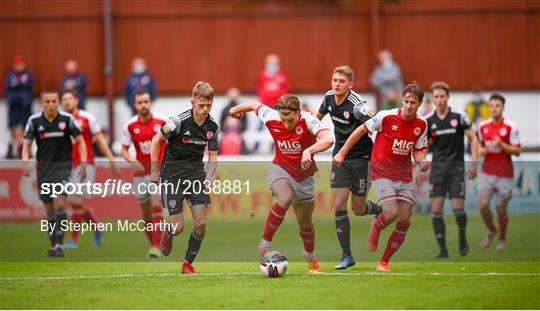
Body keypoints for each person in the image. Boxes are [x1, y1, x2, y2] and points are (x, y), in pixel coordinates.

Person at [230, 94, 334, 273]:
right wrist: (234, 110)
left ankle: (310, 256)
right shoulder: (271, 117)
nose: (286, 124)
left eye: (290, 120)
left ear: (299, 113)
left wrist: (309, 151)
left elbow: (328, 139)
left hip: (305, 177)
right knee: (285, 198)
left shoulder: (308, 120)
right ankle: (265, 244)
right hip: (280, 168)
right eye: (283, 119)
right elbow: (255, 105)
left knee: (306, 223)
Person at [333, 82, 429, 272]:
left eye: (413, 102)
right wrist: (342, 152)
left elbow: (418, 151)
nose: (409, 105)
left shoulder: (422, 124)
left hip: (404, 174)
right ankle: (377, 225)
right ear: (403, 100)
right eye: (406, 101)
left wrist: (422, 161)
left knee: (404, 220)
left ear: (419, 104)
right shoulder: (386, 117)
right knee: (391, 213)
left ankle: (383, 262)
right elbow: (360, 131)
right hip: (382, 170)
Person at [316, 65, 381, 270]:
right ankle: (346, 255)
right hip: (340, 159)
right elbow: (315, 120)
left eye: (341, 81)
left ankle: (377, 210)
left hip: (362, 159)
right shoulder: (328, 99)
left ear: (350, 84)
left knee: (358, 208)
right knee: (339, 203)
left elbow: (376, 122)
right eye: (334, 80)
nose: (336, 84)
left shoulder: (357, 105)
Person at [151, 81, 220, 274]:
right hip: (172, 175)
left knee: (201, 222)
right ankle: (169, 232)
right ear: (192, 102)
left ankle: (187, 263)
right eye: (201, 105)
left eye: (209, 105)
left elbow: (213, 158)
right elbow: (156, 141)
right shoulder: (177, 121)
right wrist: (154, 171)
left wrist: (209, 177)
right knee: (178, 226)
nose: (205, 109)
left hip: (196, 175)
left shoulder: (213, 127)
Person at [22, 90, 87, 257]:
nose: (51, 104)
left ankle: (59, 245)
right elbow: (26, 144)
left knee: (59, 202)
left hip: (63, 168)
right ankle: (54, 244)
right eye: (47, 102)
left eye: (54, 101)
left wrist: (84, 164)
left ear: (58, 102)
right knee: (49, 209)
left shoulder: (67, 120)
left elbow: (80, 142)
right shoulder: (34, 121)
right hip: (43, 170)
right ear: (42, 103)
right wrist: (25, 161)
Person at [425, 82, 479, 258]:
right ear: (432, 99)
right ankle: (443, 250)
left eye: (442, 96)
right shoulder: (428, 121)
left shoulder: (459, 117)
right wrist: (419, 163)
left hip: (456, 170)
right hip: (438, 171)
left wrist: (473, 163)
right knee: (437, 208)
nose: (439, 100)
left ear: (447, 97)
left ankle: (462, 237)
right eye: (436, 97)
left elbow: (474, 139)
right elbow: (421, 145)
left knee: (458, 209)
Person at [60, 90, 120, 249]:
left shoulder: (88, 118)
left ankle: (73, 240)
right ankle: (97, 228)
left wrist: (112, 160)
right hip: (67, 165)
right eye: (64, 99)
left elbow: (100, 141)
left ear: (76, 100)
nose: (66, 102)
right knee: (75, 204)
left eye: (69, 99)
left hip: (85, 164)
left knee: (76, 201)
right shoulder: (60, 120)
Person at [120, 90, 167, 258]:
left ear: (150, 102)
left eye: (146, 101)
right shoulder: (130, 126)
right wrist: (133, 162)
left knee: (156, 206)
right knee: (146, 214)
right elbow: (123, 150)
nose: (143, 105)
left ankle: (155, 246)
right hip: (140, 174)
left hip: (158, 172)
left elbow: (172, 144)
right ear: (135, 105)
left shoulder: (162, 121)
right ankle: (154, 245)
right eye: (140, 102)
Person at [477, 93, 521, 251]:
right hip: (487, 172)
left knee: (501, 208)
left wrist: (503, 145)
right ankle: (491, 230)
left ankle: (502, 236)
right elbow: (480, 146)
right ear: (489, 107)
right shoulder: (482, 126)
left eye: (497, 106)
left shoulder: (510, 126)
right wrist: (482, 150)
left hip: (505, 174)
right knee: (483, 206)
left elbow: (517, 151)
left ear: (503, 108)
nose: (494, 109)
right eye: (492, 106)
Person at [5, 55, 34, 159]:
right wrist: (20, 84)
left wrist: (17, 84)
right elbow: (8, 85)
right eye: (17, 64)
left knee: (26, 128)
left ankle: (25, 149)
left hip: (25, 106)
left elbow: (29, 85)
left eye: (20, 64)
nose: (19, 66)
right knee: (14, 128)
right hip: (13, 106)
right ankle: (13, 148)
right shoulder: (10, 75)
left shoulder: (29, 74)